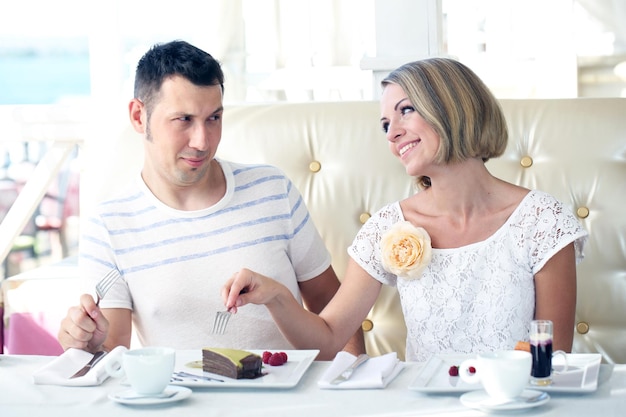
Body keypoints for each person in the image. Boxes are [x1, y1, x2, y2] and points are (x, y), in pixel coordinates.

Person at [222, 57, 588, 362]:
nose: (392, 133)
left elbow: (553, 359)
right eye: (385, 124)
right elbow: (330, 337)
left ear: (452, 108)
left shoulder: (543, 220)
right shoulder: (387, 228)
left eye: (405, 111)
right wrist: (277, 298)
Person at [57, 40, 364, 359]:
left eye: (214, 118)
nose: (202, 141)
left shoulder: (273, 190)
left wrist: (353, 392)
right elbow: (113, 353)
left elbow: (337, 313)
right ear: (138, 116)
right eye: (184, 120)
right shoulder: (109, 224)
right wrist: (86, 347)